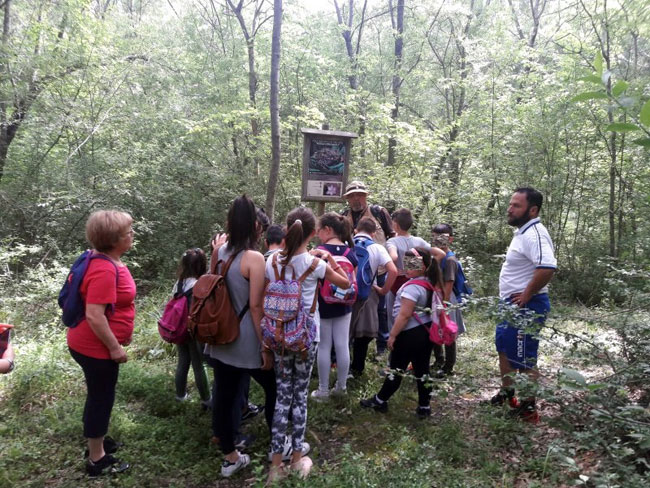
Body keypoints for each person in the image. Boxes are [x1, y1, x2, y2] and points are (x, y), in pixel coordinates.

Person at [266, 207, 350, 482]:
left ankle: (275, 466)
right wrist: (329, 258)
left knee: (281, 397)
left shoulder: (272, 262)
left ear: (287, 228)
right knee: (299, 397)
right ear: (313, 234)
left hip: (277, 335)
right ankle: (297, 460)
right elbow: (346, 284)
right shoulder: (315, 264)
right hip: (305, 338)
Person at [204, 195, 277, 478]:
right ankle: (278, 444)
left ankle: (230, 457)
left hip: (220, 335)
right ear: (255, 226)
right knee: (274, 387)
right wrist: (265, 346)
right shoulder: (254, 259)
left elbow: (213, 288)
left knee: (224, 394)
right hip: (246, 338)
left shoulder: (219, 252)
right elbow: (256, 306)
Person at [67, 210, 135, 477]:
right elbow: (95, 315)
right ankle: (96, 459)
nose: (132, 235)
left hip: (89, 344)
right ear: (113, 239)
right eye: (128, 232)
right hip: (95, 348)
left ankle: (97, 440)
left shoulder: (102, 259)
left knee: (98, 394)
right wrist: (114, 348)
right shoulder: (104, 268)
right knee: (101, 398)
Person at [491, 188, 556, 423]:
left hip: (526, 307)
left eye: (516, 205)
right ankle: (507, 394)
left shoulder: (535, 233)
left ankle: (529, 409)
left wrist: (527, 295)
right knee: (505, 350)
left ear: (533, 210)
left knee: (524, 358)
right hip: (510, 305)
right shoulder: (522, 232)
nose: (510, 208)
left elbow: (547, 267)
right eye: (510, 204)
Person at [360, 247, 440, 419]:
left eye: (414, 264)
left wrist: (393, 335)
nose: (408, 267)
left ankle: (380, 401)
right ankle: (424, 406)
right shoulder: (429, 282)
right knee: (422, 370)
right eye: (407, 263)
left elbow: (404, 315)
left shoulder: (412, 288)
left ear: (424, 266)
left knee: (396, 369)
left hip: (408, 335)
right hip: (425, 333)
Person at [341, 180, 396, 356]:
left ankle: (382, 344)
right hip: (352, 269)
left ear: (366, 196)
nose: (357, 199)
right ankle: (349, 340)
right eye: (352, 196)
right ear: (347, 199)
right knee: (350, 303)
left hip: (378, 268)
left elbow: (392, 236)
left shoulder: (378, 212)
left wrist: (391, 257)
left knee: (381, 307)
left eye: (360, 195)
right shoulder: (344, 216)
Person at [311, 212, 358, 401]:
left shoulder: (318, 251)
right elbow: (351, 280)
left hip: (323, 304)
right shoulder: (350, 253)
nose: (317, 233)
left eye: (319, 230)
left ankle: (323, 390)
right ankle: (341, 387)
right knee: (342, 344)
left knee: (323, 346)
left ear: (328, 230)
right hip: (345, 304)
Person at [349, 217, 397, 377]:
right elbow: (393, 271)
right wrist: (383, 291)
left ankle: (337, 365)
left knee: (344, 333)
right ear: (374, 233)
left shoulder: (346, 244)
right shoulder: (378, 248)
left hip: (345, 294)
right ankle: (357, 369)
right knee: (362, 336)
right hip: (367, 295)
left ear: (356, 230)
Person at [170, 248, 211, 407]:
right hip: (194, 330)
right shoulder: (198, 285)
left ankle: (180, 396)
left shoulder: (178, 284)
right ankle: (206, 400)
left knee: (182, 362)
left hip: (179, 328)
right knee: (198, 364)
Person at [385, 208, 432, 332]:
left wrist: (389, 265)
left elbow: (394, 256)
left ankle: (394, 337)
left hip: (397, 282)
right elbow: (435, 253)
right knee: (415, 312)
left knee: (394, 313)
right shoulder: (419, 241)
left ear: (395, 224)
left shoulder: (392, 241)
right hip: (418, 281)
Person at [430, 225, 467, 377]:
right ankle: (439, 360)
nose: (437, 240)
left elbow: (449, 283)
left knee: (448, 332)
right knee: (436, 329)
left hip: (447, 298)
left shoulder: (449, 259)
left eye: (441, 237)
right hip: (437, 296)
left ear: (450, 239)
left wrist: (444, 305)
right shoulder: (436, 257)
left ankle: (448, 366)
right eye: (434, 237)